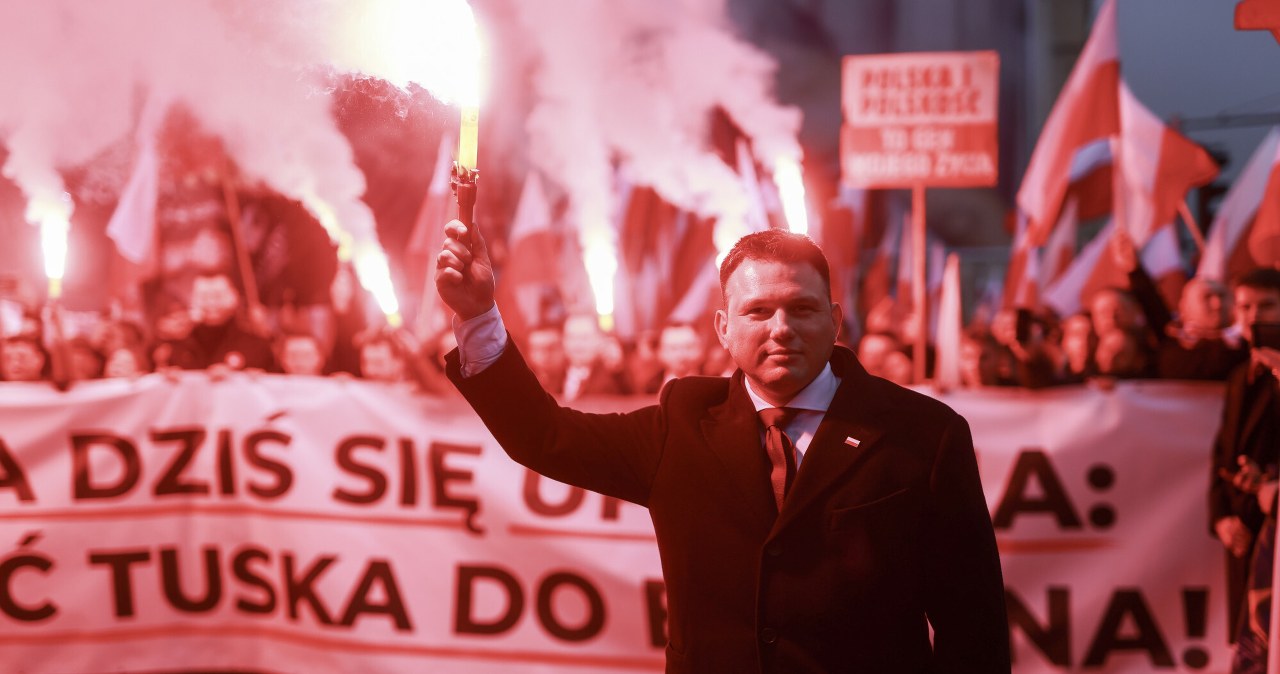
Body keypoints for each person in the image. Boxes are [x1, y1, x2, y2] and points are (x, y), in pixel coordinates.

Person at [436, 220, 1009, 673]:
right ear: (723, 328)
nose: (780, 328)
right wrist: (478, 315)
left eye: (802, 309)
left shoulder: (925, 434)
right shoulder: (681, 424)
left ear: (835, 321)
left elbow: (972, 628)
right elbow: (544, 436)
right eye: (757, 311)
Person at [1209, 267, 1280, 664]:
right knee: (1251, 648)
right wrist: (1221, 516)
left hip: (1277, 527)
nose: (1254, 317)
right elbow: (1221, 453)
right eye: (1245, 307)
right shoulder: (1239, 374)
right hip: (1243, 533)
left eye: (1266, 306)